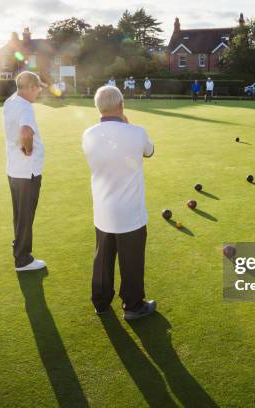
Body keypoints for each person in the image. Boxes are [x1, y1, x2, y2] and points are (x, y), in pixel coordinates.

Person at [82, 85, 157, 320]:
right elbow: (149, 151)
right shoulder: (136, 132)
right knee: (131, 260)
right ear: (121, 105)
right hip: (130, 213)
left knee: (102, 257)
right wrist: (126, 123)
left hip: (102, 209)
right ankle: (133, 306)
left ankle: (101, 302)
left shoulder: (88, 134)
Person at [2, 71, 47, 271]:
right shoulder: (25, 107)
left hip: (13, 169)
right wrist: (28, 150)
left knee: (19, 214)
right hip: (27, 171)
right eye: (36, 88)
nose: (37, 92)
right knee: (26, 215)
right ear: (29, 88)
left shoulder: (10, 101)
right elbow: (25, 132)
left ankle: (18, 244)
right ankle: (23, 259)